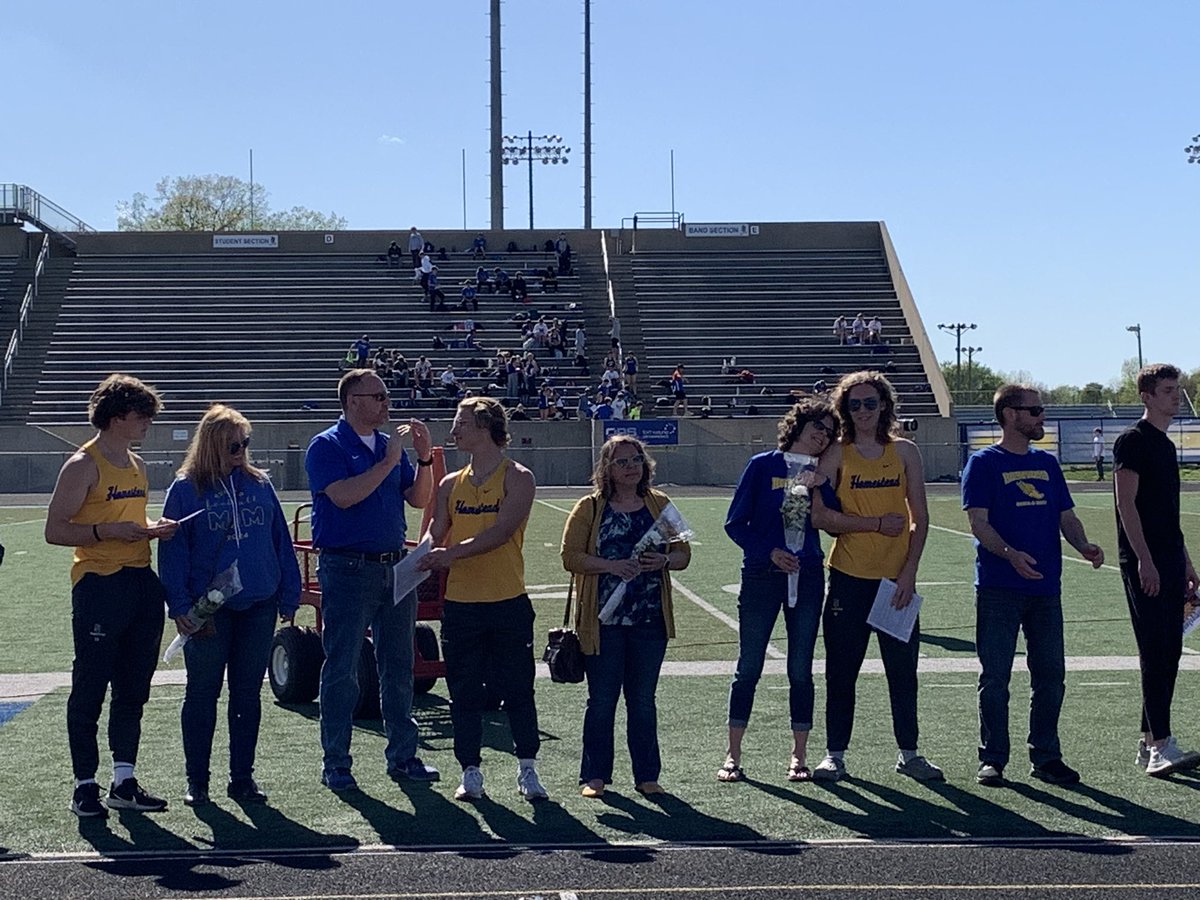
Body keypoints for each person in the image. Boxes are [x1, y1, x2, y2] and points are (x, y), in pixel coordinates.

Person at [45, 374, 179, 817]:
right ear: (118, 416)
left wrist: (151, 528)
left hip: (140, 580)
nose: (148, 423)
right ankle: (85, 784)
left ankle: (124, 780)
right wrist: (107, 531)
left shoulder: (137, 464)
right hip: (99, 583)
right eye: (142, 416)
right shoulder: (82, 464)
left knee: (133, 688)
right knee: (90, 685)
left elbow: (127, 515)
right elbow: (56, 529)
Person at [962, 386, 1105, 787]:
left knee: (1051, 677)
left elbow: (1067, 515)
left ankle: (1046, 756)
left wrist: (1084, 544)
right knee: (995, 679)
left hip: (1045, 590)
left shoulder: (1047, 463)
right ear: (1010, 415)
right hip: (998, 587)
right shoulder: (983, 463)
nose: (1042, 417)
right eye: (1035, 411)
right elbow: (978, 523)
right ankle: (992, 759)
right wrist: (1010, 554)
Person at [159, 404, 302, 805]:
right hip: (208, 610)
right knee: (202, 693)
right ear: (212, 445)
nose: (241, 451)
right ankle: (196, 780)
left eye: (245, 443)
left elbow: (280, 540)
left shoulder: (259, 484)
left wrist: (289, 593)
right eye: (233, 444)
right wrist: (181, 606)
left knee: (246, 695)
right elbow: (174, 553)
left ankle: (242, 777)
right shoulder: (185, 489)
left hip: (258, 605)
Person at [304, 370, 438, 792]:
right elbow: (345, 496)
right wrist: (387, 461)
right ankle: (337, 762)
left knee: (399, 665)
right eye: (377, 396)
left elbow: (418, 498)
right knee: (342, 668)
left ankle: (403, 755)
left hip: (394, 564)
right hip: (347, 567)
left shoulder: (388, 447)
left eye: (385, 396)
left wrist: (424, 459)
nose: (385, 403)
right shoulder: (326, 445)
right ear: (352, 401)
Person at [809, 370, 942, 782]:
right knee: (841, 671)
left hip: (895, 583)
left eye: (870, 402)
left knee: (902, 672)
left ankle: (910, 754)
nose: (863, 411)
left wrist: (908, 574)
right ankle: (835, 755)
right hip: (849, 578)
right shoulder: (836, 453)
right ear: (844, 410)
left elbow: (920, 519)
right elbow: (818, 515)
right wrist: (872, 525)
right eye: (854, 404)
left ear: (884, 404)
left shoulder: (905, 452)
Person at [417, 397, 546, 802]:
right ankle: (470, 771)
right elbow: (436, 533)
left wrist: (449, 555)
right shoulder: (449, 483)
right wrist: (414, 560)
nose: (454, 432)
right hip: (461, 604)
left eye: (462, 423)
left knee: (518, 690)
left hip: (508, 600)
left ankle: (528, 769)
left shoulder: (518, 477)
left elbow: (501, 533)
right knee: (464, 691)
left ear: (486, 426)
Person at [561, 437, 691, 798]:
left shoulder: (659, 504)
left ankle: (647, 776)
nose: (631, 466)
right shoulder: (590, 507)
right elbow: (570, 557)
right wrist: (611, 566)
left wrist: (664, 560)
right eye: (621, 462)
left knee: (643, 700)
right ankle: (595, 776)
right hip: (602, 623)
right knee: (602, 700)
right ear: (607, 469)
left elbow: (683, 554)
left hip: (650, 621)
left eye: (636, 459)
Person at [721, 399, 837, 783]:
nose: (822, 434)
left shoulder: (824, 472)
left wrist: (823, 489)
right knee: (748, 667)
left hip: (807, 577)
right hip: (760, 576)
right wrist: (768, 551)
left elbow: (833, 523)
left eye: (828, 430)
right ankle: (733, 756)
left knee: (801, 668)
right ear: (798, 425)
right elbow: (735, 524)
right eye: (817, 426)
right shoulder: (762, 465)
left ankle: (798, 757)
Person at [1114, 363, 1200, 777]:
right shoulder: (1132, 441)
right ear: (1146, 396)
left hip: (1168, 559)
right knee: (1155, 649)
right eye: (1167, 390)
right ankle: (1159, 746)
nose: (1175, 396)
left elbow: (1168, 513)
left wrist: (1184, 560)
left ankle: (1150, 738)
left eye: (1176, 389)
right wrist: (1145, 559)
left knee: (1170, 649)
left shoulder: (1166, 446)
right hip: (1143, 561)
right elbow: (1125, 504)